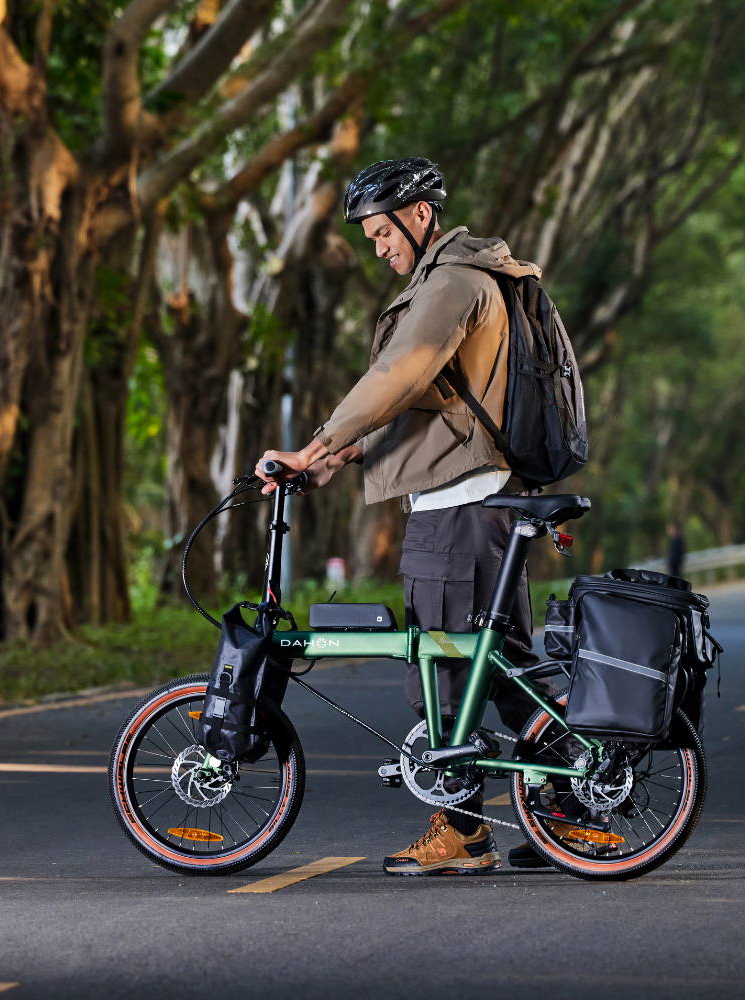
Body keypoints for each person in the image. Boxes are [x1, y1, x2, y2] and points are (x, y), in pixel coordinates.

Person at [256, 157, 549, 876]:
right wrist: (337, 457)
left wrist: (318, 441)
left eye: (384, 230)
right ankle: (579, 810)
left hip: (459, 510)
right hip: (478, 501)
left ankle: (463, 831)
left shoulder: (453, 283)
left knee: (448, 673)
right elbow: (436, 406)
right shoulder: (463, 280)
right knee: (502, 669)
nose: (379, 246)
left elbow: (400, 376)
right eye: (370, 236)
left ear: (422, 216)